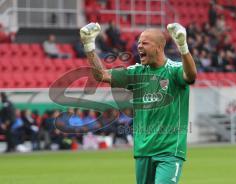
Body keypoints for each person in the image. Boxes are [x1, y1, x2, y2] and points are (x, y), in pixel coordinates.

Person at [80, 22, 197, 183]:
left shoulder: (174, 70)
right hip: (143, 151)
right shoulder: (136, 73)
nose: (139, 46)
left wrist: (183, 47)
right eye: (139, 43)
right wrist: (88, 45)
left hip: (169, 152)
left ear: (158, 47)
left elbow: (190, 76)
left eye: (145, 43)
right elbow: (101, 75)